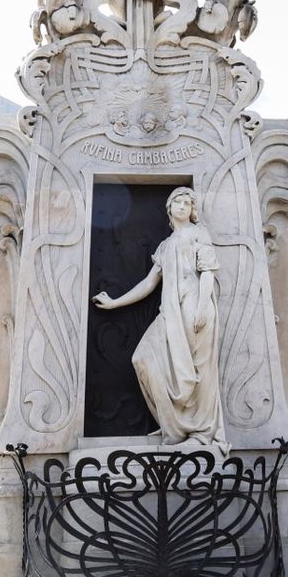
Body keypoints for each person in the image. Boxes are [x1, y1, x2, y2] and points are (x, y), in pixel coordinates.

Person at [92, 187, 226, 448]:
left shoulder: (199, 233)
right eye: (178, 201)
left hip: (194, 306)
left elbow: (208, 271)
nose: (182, 206)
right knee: (142, 358)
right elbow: (149, 283)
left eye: (187, 202)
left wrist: (201, 307)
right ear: (169, 207)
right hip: (171, 311)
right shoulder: (165, 246)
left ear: (192, 210)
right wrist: (114, 303)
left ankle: (199, 434)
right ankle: (173, 424)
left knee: (199, 372)